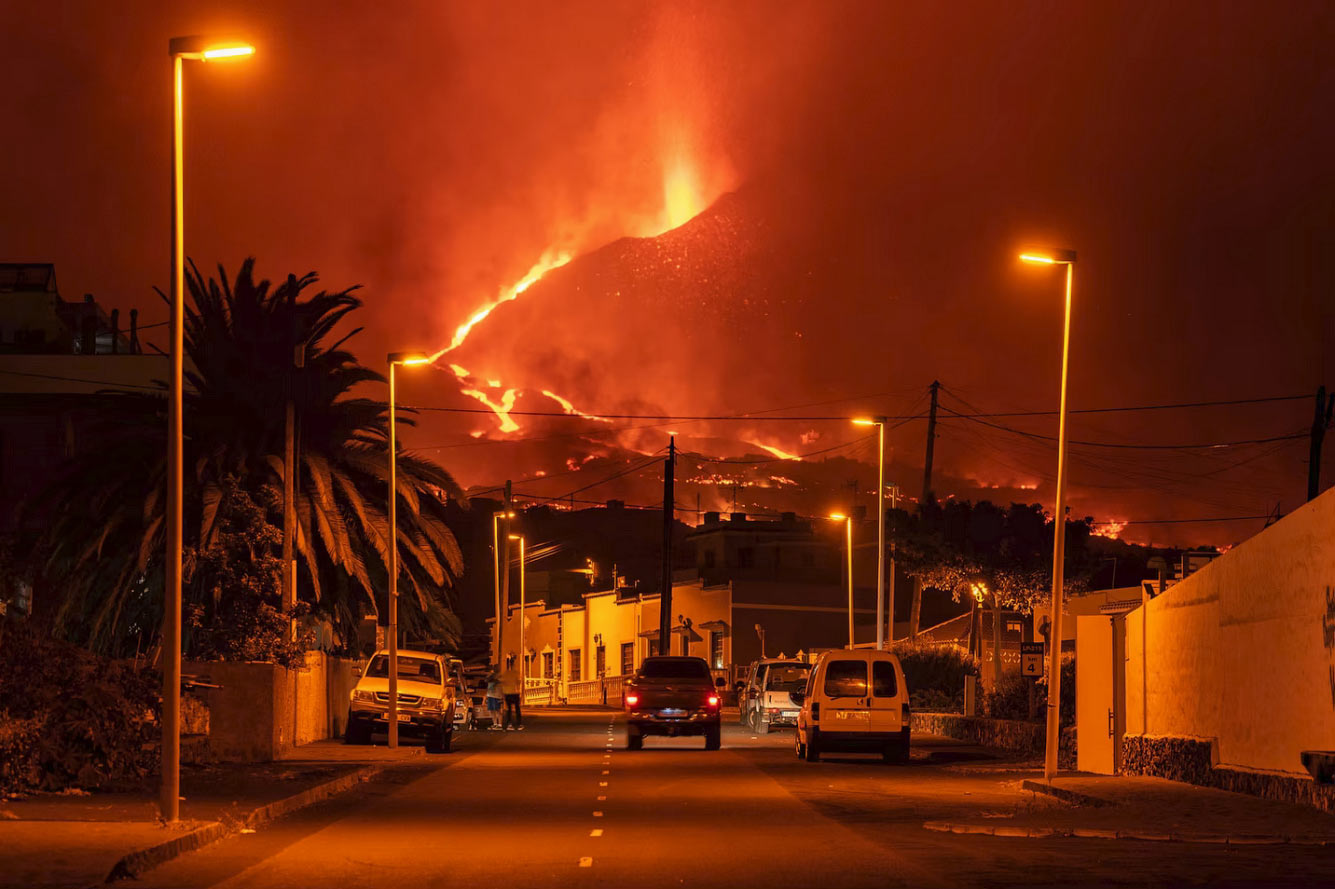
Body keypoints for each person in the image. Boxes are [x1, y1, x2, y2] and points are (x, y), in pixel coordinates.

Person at [499, 661, 524, 731]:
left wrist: (503, 693)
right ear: (514, 665)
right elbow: (519, 682)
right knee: (517, 709)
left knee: (509, 709)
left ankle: (509, 724)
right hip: (515, 692)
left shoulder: (505, 673)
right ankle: (519, 724)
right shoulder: (516, 673)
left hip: (507, 693)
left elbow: (502, 682)